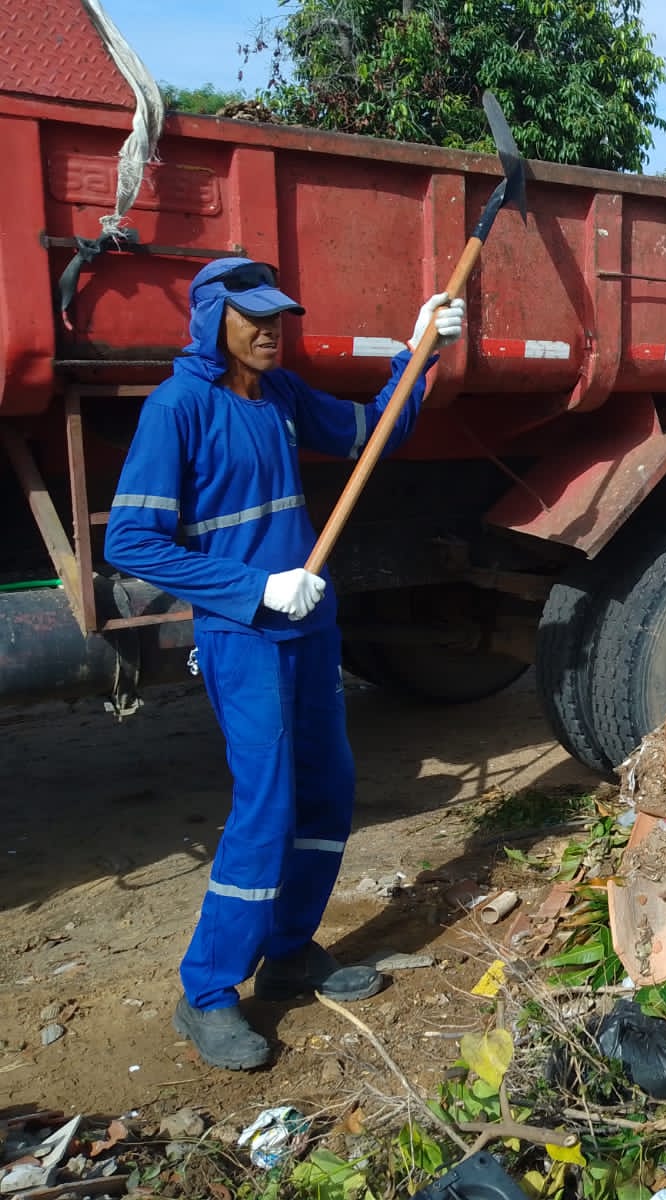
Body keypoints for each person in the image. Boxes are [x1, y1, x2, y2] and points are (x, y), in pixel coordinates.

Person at [104, 258, 465, 1070]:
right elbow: (129, 543)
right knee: (266, 808)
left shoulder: (284, 396)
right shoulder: (179, 409)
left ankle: (291, 951)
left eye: (277, 317)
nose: (271, 330)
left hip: (309, 628)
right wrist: (253, 586)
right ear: (209, 321)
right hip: (246, 636)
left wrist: (419, 353)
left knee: (327, 794)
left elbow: (377, 432)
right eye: (251, 317)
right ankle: (206, 993)